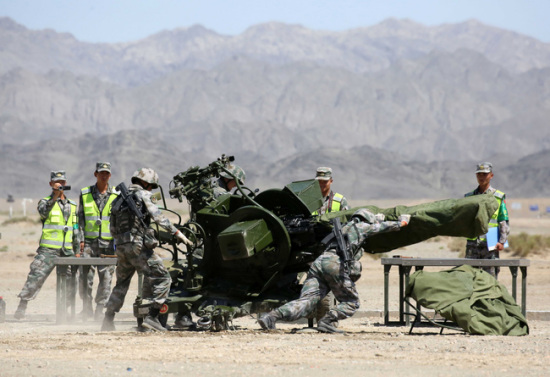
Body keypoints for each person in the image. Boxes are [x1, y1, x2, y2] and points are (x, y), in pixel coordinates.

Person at [258, 209, 410, 333]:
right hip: (335, 263)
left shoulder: (342, 228)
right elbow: (384, 228)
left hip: (320, 262)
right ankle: (327, 320)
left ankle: (271, 317)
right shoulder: (361, 226)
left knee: (306, 301)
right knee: (351, 302)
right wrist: (402, 222)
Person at [101, 168, 192, 332]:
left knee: (121, 284)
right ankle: (153, 317)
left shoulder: (118, 199)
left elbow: (112, 227)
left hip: (121, 248)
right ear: (145, 183)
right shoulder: (143, 195)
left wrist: (122, 243)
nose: (151, 189)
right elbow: (159, 217)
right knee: (163, 277)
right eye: (151, 186)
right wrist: (177, 233)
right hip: (137, 247)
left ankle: (108, 320)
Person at [14, 171, 79, 319]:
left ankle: (65, 310)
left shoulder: (73, 205)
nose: (60, 184)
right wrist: (55, 196)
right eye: (57, 182)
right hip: (48, 250)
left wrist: (77, 248)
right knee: (36, 275)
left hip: (67, 250)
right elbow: (43, 213)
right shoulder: (45, 202)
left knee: (72, 281)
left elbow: (76, 228)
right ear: (51, 184)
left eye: (62, 182)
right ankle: (22, 306)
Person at [77, 162, 118, 320]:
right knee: (84, 278)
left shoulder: (116, 193)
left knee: (106, 279)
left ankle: (100, 309)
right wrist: (80, 240)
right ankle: (86, 308)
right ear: (95, 174)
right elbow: (80, 219)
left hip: (108, 244)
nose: (104, 175)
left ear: (110, 175)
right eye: (101, 173)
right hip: (88, 243)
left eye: (106, 173)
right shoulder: (85, 193)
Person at [464, 162, 510, 278]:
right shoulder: (469, 198)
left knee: (490, 279)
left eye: (485, 174)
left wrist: (502, 241)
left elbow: (503, 221)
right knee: (470, 278)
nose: (481, 177)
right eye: (479, 174)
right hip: (473, 244)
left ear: (491, 175)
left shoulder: (498, 197)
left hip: (491, 244)